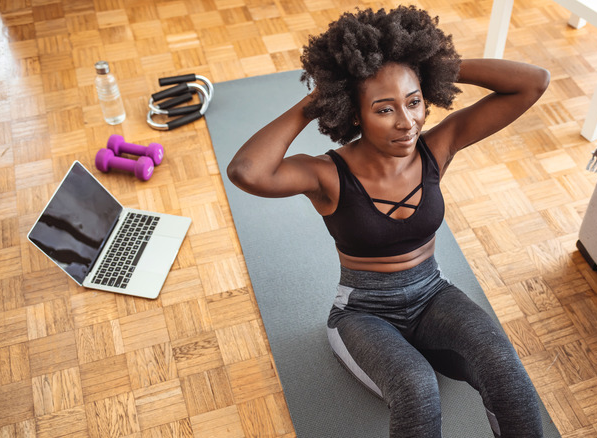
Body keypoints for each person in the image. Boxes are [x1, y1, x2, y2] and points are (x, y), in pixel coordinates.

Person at [227, 6, 549, 437]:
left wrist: (435, 65)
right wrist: (313, 102)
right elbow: (247, 171)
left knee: (504, 367)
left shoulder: (437, 148)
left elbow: (533, 83)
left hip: (433, 297)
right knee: (418, 389)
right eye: (384, 109)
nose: (407, 122)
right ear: (354, 113)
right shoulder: (327, 174)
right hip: (363, 315)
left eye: (414, 102)